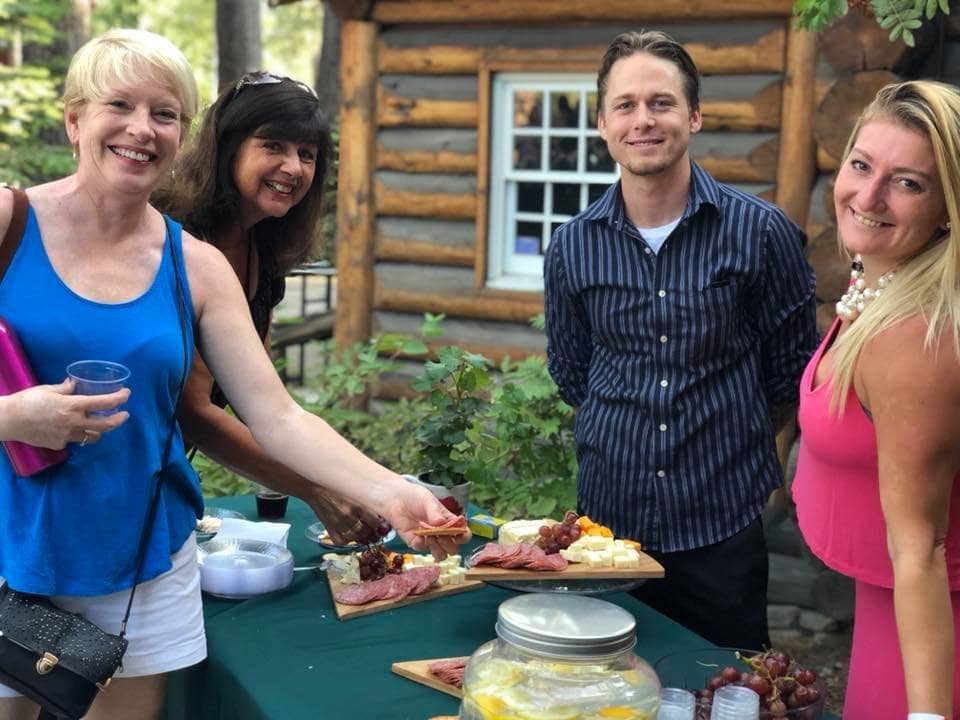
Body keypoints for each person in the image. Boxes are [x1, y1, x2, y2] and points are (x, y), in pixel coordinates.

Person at [0, 29, 466, 720]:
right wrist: (12, 417)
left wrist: (393, 492)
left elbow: (277, 417)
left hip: (144, 565)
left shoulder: (199, 266)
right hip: (14, 554)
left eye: (164, 114)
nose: (141, 129)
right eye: (118, 105)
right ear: (75, 120)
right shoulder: (10, 221)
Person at [543, 29, 817, 649]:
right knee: (604, 689)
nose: (644, 120)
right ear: (603, 124)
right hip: (608, 529)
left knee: (724, 691)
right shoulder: (572, 245)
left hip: (722, 520)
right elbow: (573, 373)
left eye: (661, 103)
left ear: (693, 115)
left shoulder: (761, 233)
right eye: (626, 105)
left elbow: (789, 374)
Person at [154, 71, 380, 545]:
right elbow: (194, 413)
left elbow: (264, 405)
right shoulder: (178, 239)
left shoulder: (264, 254)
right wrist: (316, 489)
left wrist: (352, 480)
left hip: (162, 491)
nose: (293, 167)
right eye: (273, 145)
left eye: (307, 154)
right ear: (228, 147)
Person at [792, 80, 960, 719]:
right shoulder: (879, 286)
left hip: (929, 629)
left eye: (907, 182)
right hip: (884, 601)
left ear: (948, 208)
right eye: (861, 166)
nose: (867, 196)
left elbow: (923, 550)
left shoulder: (915, 337)